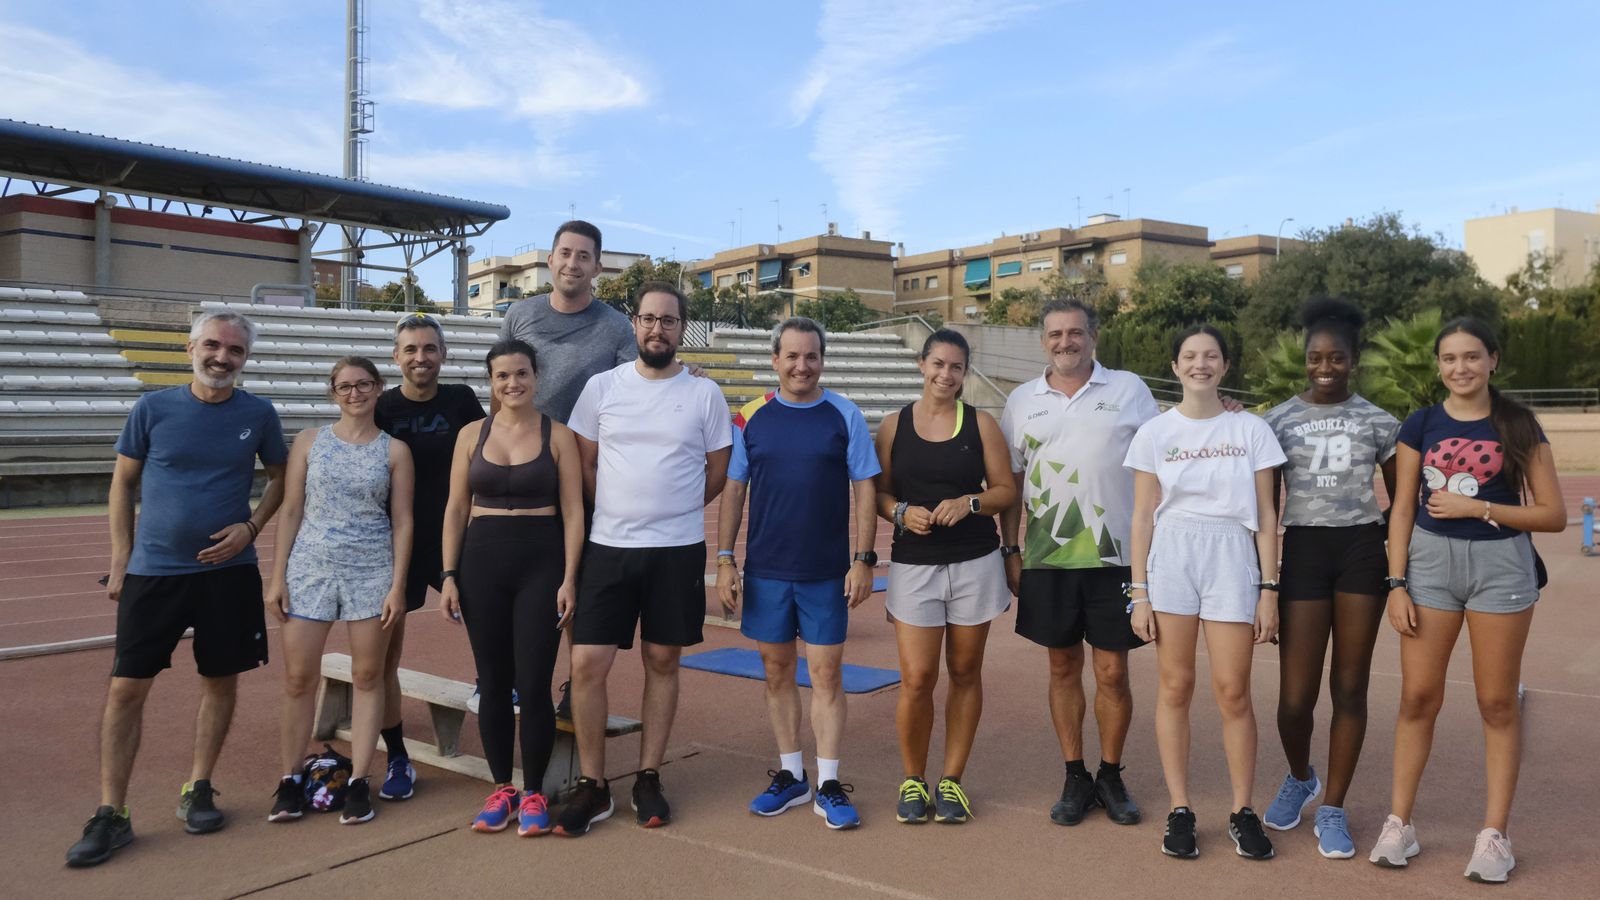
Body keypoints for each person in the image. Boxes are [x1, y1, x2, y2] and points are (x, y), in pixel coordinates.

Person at [67, 311, 287, 868]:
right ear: (191, 347)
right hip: (155, 572)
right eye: (212, 345)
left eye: (234, 350)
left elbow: (281, 476)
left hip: (228, 574)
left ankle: (199, 786)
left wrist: (253, 526)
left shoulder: (259, 414)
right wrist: (121, 559)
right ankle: (111, 811)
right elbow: (122, 481)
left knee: (220, 681)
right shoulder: (153, 408)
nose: (222, 357)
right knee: (126, 689)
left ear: (245, 359)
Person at [1368, 317, 1565, 884]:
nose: (1461, 368)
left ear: (1493, 361)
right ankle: (1399, 824)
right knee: (1418, 698)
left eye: (1472, 357)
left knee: (1497, 703)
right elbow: (1402, 507)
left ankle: (1494, 835)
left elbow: (1552, 515)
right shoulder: (1421, 423)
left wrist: (1480, 508)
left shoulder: (1519, 425)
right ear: (1439, 365)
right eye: (1450, 358)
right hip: (1428, 567)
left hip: (1500, 567)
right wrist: (1396, 583)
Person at [554, 282, 732, 836]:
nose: (658, 329)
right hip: (609, 547)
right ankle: (593, 783)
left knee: (663, 661)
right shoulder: (602, 387)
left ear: (683, 328)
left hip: (676, 552)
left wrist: (673, 508)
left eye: (669, 321)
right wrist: (618, 507)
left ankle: (649, 774)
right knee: (587, 665)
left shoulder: (705, 395)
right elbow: (585, 464)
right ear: (634, 325)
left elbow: (718, 471)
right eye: (649, 319)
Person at [1124, 324, 1285, 861]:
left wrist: (1268, 588)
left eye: (1211, 355)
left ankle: (1242, 810)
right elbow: (1142, 516)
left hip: (1231, 553)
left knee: (1233, 689)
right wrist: (1139, 591)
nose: (1200, 364)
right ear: (1174, 367)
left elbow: (1266, 515)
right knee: (1175, 686)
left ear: (1224, 365)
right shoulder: (1153, 433)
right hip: (1172, 553)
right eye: (1190, 356)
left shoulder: (1252, 430)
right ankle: (1181, 809)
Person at [999, 299, 1160, 828]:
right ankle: (1075, 773)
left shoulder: (1129, 389)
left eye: (1074, 333)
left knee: (1113, 671)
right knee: (1062, 666)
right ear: (1043, 340)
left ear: (1093, 336)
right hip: (1048, 559)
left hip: (1117, 557)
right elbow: (1013, 482)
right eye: (1054, 334)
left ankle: (1110, 773)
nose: (1064, 342)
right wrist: (1011, 548)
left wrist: (1221, 410)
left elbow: (1167, 447)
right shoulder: (1022, 400)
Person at [715, 317, 880, 830]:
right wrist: (725, 560)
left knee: (828, 674)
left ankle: (829, 784)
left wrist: (863, 559)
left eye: (811, 356)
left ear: (822, 361)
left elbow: (866, 490)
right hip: (767, 572)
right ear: (775, 360)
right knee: (776, 672)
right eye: (791, 356)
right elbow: (734, 490)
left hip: (826, 573)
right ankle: (792, 776)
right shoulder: (749, 417)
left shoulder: (844, 414)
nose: (801, 365)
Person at [1260, 298, 1398, 858]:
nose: (1324, 366)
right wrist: (1263, 579)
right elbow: (1265, 507)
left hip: (1361, 549)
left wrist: (1391, 555)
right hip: (1305, 551)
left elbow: (1404, 500)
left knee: (1349, 686)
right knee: (1295, 698)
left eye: (1336, 357)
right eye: (1316, 356)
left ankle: (1334, 806)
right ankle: (1301, 776)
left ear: (1353, 360)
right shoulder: (1276, 421)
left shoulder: (1380, 421)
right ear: (1305, 358)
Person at [438, 339, 585, 836]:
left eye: (521, 374)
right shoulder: (468, 436)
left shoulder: (558, 435)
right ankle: (503, 787)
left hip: (541, 562)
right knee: (494, 681)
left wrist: (569, 577)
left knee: (535, 682)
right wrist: (449, 575)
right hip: (482, 562)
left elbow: (573, 512)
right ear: (491, 381)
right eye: (502, 376)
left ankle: (536, 790)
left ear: (536, 377)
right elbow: (456, 509)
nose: (513, 383)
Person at [874, 329, 1015, 825]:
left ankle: (952, 781)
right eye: (938, 364)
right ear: (921, 364)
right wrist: (901, 514)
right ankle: (914, 779)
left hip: (975, 563)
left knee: (964, 672)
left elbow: (1004, 490)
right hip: (913, 566)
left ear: (965, 372)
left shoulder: (981, 424)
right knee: (916, 679)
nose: (946, 375)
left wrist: (969, 502)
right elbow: (880, 495)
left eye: (956, 367)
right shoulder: (893, 426)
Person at [265, 357, 413, 826]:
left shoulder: (395, 451)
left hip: (371, 570)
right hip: (310, 569)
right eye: (345, 386)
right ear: (333, 392)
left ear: (378, 387)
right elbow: (291, 510)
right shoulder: (309, 441)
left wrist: (397, 586)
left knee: (370, 676)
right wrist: (276, 576)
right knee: (296, 678)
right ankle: (290, 779)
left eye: (363, 384)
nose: (354, 393)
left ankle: (358, 783)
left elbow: (403, 521)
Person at [373, 312, 485, 801]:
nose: (421, 358)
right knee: (383, 651)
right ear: (397, 358)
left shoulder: (461, 399)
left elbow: (492, 449)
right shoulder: (381, 407)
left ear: (443, 354)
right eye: (411, 350)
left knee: (488, 611)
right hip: (396, 541)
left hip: (456, 534)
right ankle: (397, 754)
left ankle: (495, 683)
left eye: (429, 349)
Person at [497, 220, 635, 425]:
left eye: (583, 256)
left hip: (587, 452)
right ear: (551, 260)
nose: (572, 264)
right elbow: (499, 383)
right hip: (525, 449)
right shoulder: (518, 314)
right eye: (565, 253)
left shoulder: (618, 326)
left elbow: (633, 391)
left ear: (597, 268)